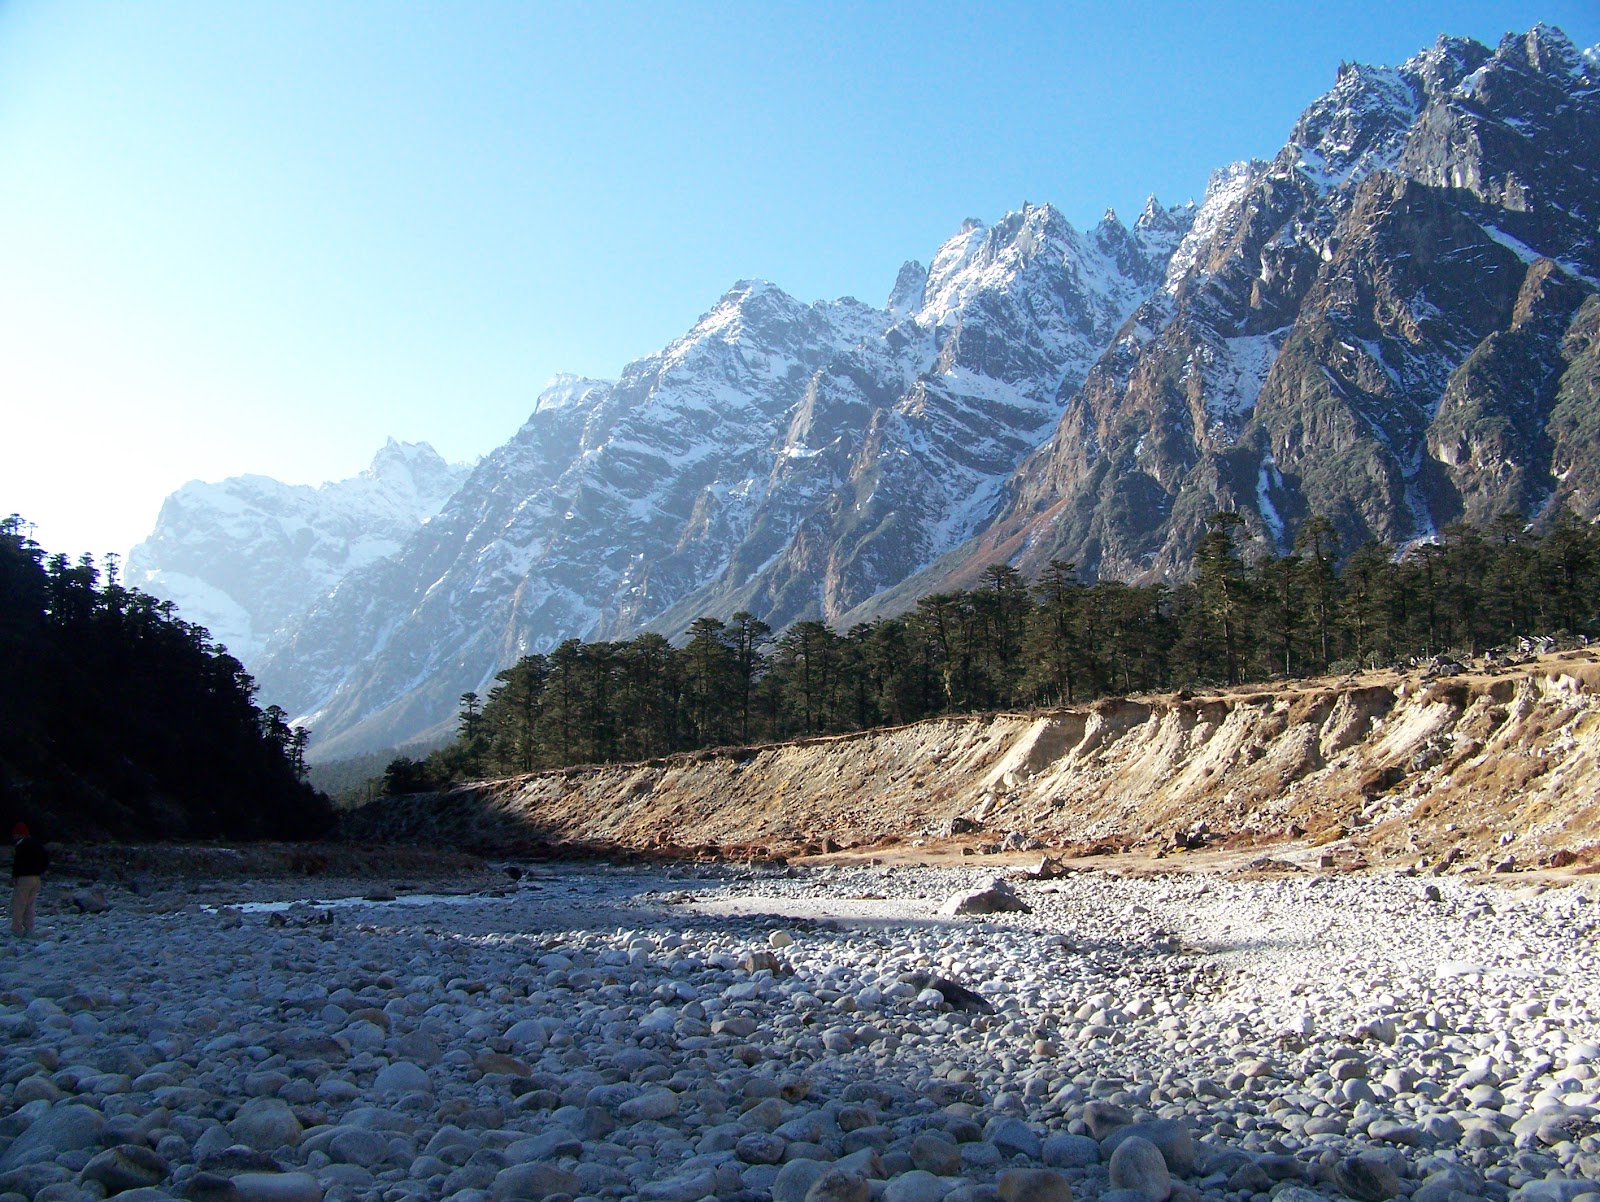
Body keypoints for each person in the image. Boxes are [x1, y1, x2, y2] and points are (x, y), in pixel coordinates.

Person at [10, 822, 47, 937]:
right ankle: (29, 929)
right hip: (36, 878)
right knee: (30, 904)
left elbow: (18, 862)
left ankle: (16, 929)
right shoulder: (37, 844)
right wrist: (41, 871)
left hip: (24, 878)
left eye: (15, 834)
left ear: (20, 834)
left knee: (19, 904)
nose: (13, 836)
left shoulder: (21, 845)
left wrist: (14, 876)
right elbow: (45, 859)